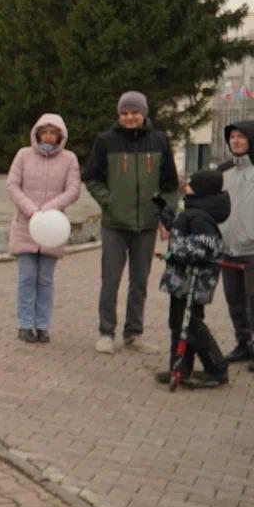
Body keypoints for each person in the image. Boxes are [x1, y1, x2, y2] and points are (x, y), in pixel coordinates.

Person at [83, 91, 179, 354]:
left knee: (139, 281)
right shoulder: (106, 141)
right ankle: (106, 332)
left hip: (146, 225)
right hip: (115, 224)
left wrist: (166, 215)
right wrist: (109, 201)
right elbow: (91, 178)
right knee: (110, 280)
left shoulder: (159, 140)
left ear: (144, 113)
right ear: (119, 115)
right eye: (124, 113)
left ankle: (133, 333)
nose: (129, 117)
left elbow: (170, 185)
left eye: (134, 112)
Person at [6, 114, 81, 343]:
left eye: (53, 132)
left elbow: (73, 189)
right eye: (45, 132)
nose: (49, 136)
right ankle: (25, 324)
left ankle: (43, 325)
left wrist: (48, 209)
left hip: (52, 229)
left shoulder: (69, 159)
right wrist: (32, 210)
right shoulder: (23, 155)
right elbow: (12, 185)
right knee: (26, 278)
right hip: (26, 226)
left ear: (60, 135)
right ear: (37, 133)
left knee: (45, 280)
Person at [155, 169, 231, 387]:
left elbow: (202, 246)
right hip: (183, 280)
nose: (186, 187)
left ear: (201, 190)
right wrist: (170, 222)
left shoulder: (199, 217)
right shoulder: (194, 213)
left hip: (193, 280)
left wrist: (174, 253)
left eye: (191, 185)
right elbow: (185, 235)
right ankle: (180, 367)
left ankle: (216, 367)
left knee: (191, 324)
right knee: (179, 323)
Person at [217, 120, 254, 369]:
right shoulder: (223, 170)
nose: (236, 141)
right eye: (232, 137)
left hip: (252, 249)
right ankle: (243, 343)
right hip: (228, 248)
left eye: (241, 137)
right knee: (234, 300)